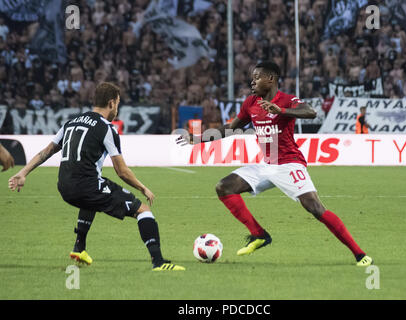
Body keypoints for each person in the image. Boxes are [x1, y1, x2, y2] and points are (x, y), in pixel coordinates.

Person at [177, 61, 372, 267]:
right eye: (252, 78)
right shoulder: (251, 103)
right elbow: (232, 128)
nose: (252, 82)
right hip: (266, 166)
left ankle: (360, 254)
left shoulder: (287, 100)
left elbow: (310, 112)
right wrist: (199, 138)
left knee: (315, 208)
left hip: (289, 164)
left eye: (257, 77)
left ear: (270, 79)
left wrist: (281, 111)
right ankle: (259, 234)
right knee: (224, 187)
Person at [8, 82, 184, 271]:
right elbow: (121, 171)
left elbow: (47, 151)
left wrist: (23, 172)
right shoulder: (107, 128)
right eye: (117, 103)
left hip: (64, 186)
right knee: (142, 210)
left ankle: (79, 247)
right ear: (111, 103)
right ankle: (158, 262)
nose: (117, 108)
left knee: (90, 199)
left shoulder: (71, 122)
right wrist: (143, 188)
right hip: (86, 186)